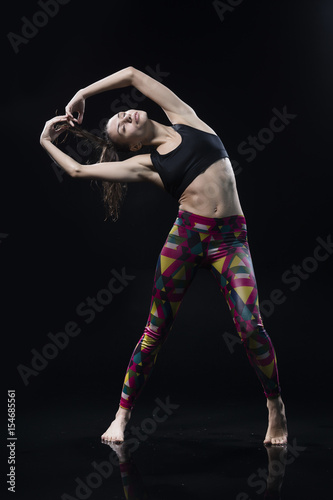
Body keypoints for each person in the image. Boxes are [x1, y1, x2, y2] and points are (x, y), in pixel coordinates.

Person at [40, 66, 288, 446]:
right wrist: (46, 141)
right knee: (155, 331)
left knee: (250, 326)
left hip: (230, 240)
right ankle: (121, 416)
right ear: (134, 145)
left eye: (122, 114)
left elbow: (133, 75)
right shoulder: (147, 165)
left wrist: (83, 92)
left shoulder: (184, 117)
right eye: (121, 127)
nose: (124, 116)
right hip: (186, 240)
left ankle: (276, 407)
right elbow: (76, 169)